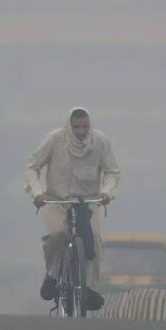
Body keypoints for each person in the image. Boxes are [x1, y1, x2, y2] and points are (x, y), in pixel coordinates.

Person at [24, 107, 121, 310]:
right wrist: (37, 192)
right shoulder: (54, 140)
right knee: (56, 237)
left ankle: (89, 286)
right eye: (76, 127)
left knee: (93, 239)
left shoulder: (100, 142)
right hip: (56, 202)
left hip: (87, 204)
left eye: (85, 127)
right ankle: (52, 274)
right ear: (69, 125)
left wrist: (106, 192)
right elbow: (32, 167)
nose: (81, 132)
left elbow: (112, 172)